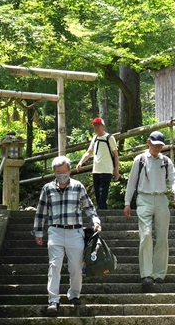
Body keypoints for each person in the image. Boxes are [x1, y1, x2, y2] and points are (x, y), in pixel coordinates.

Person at [33, 155, 101, 314]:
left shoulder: (78, 187)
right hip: (55, 231)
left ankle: (74, 294)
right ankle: (53, 300)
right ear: (54, 173)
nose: (61, 175)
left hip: (75, 232)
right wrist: (38, 232)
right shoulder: (47, 188)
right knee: (54, 265)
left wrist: (95, 221)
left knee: (76, 266)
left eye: (64, 171)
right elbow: (41, 212)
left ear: (69, 171)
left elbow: (89, 207)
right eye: (58, 172)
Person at [123, 131, 175, 286]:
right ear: (148, 142)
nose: (157, 148)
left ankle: (159, 274)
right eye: (155, 145)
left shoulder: (166, 161)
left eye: (160, 146)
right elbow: (132, 182)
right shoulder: (140, 159)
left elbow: (174, 178)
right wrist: (127, 202)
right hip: (144, 199)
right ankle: (146, 274)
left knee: (162, 238)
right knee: (146, 235)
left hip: (161, 199)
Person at [76, 117, 119, 210]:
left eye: (98, 125)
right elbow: (89, 152)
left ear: (103, 126)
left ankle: (100, 213)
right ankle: (103, 212)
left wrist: (116, 170)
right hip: (96, 170)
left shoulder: (109, 138)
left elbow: (115, 154)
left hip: (107, 170)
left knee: (103, 193)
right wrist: (81, 162)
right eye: (95, 126)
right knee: (98, 195)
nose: (96, 128)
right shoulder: (94, 138)